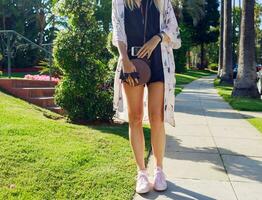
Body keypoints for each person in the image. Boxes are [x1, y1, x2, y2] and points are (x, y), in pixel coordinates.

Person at [111, 0, 181, 194]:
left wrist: (157, 38)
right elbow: (117, 30)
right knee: (135, 118)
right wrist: (124, 60)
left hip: (159, 61)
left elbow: (173, 27)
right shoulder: (119, 2)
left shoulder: (161, 2)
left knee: (157, 118)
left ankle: (159, 170)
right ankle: (141, 172)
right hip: (132, 62)